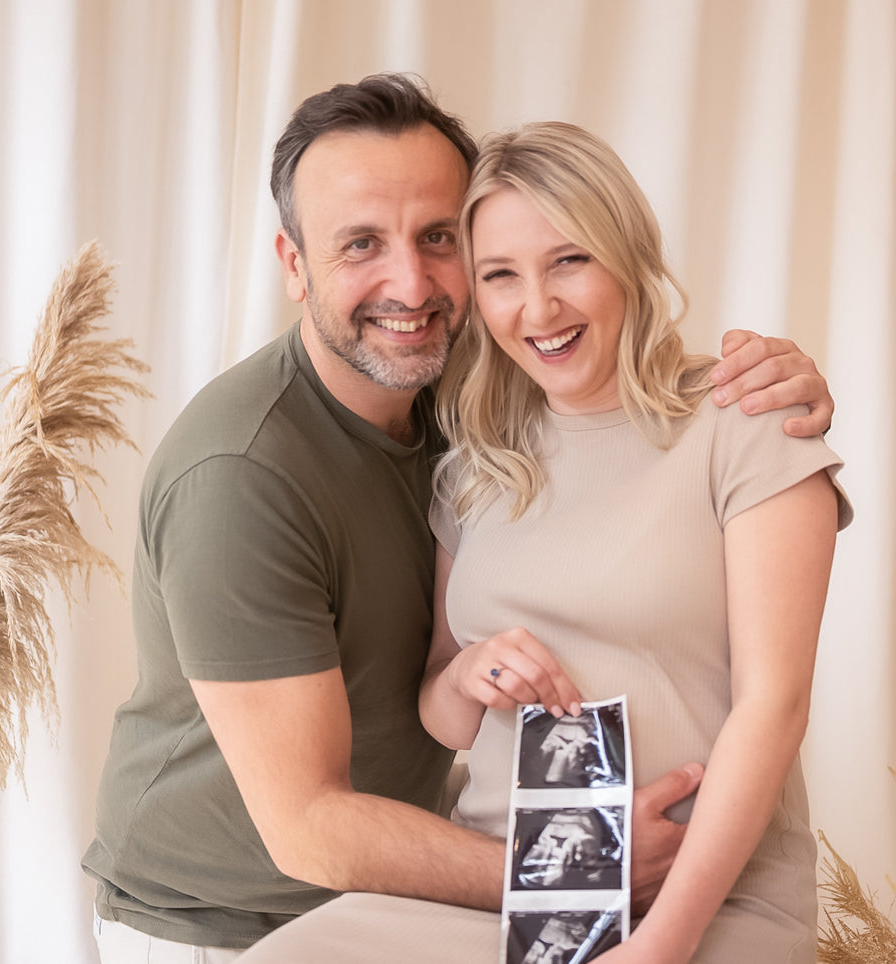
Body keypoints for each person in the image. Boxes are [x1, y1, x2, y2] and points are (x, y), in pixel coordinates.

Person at [83, 74, 838, 961]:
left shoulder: (467, 399)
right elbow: (316, 823)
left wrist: (786, 383)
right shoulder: (247, 475)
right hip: (228, 909)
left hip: (620, 883)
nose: (409, 282)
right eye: (360, 242)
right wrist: (579, 863)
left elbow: (774, 701)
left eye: (436, 238)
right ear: (293, 265)